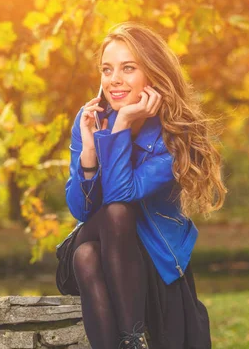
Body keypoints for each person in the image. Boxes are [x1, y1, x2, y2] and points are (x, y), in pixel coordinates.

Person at [56, 22, 227, 349]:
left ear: (152, 75)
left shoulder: (174, 136)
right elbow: (81, 209)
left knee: (87, 254)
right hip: (106, 244)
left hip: (153, 258)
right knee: (92, 245)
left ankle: (130, 341)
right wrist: (89, 150)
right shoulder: (90, 119)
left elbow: (122, 197)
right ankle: (133, 341)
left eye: (128, 68)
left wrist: (121, 125)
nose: (114, 79)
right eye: (107, 69)